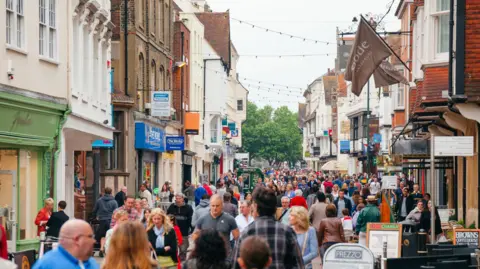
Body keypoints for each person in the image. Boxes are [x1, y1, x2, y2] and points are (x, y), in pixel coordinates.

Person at [232, 186, 304, 269]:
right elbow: (299, 265)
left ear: (255, 206)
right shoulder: (287, 232)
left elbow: (235, 264)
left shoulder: (247, 232)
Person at [32, 219, 98, 269]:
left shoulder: (91, 262)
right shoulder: (48, 264)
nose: (94, 241)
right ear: (77, 239)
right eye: (90, 236)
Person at [167, 193, 193, 261]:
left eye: (179, 198)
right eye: (177, 198)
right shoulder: (172, 206)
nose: (178, 200)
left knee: (183, 249)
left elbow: (190, 219)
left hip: (184, 230)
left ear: (183, 199)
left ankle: (182, 260)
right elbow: (167, 216)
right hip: (173, 231)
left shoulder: (188, 207)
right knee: (173, 248)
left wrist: (191, 229)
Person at [92, 187, 118, 254]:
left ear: (104, 192)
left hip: (102, 220)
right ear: (111, 192)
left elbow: (95, 210)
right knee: (110, 235)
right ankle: (109, 249)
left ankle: (101, 248)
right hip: (111, 220)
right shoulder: (114, 201)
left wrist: (94, 217)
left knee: (102, 235)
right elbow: (116, 211)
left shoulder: (99, 200)